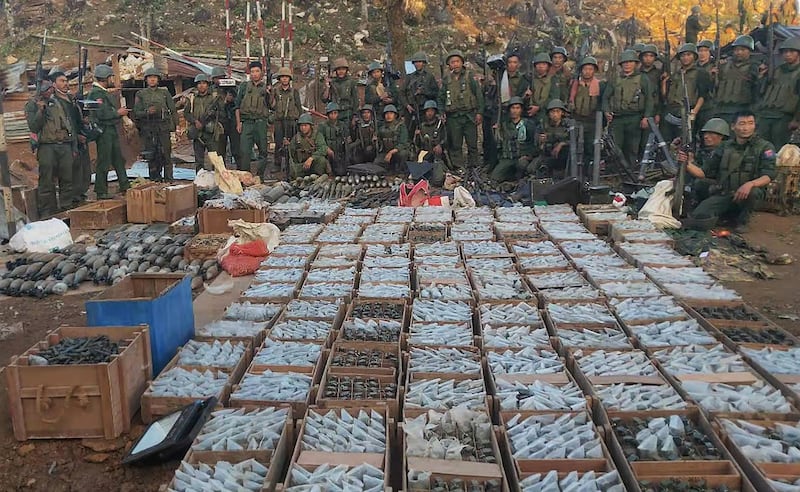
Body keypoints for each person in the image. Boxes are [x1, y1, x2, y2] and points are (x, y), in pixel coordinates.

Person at [687, 111, 775, 232]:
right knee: (699, 218)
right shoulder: (724, 146)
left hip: (748, 195)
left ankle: (743, 220)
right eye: (742, 124)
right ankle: (728, 215)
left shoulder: (765, 147)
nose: (746, 128)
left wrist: (750, 184)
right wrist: (685, 163)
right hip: (725, 193)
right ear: (733, 127)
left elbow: (768, 175)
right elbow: (703, 172)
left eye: (750, 123)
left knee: (753, 193)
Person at [24, 79, 75, 216]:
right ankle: (47, 211)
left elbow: (69, 124)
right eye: (46, 90)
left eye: (50, 89)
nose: (50, 92)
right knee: (46, 180)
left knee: (67, 178)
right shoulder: (32, 105)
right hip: (47, 146)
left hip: (64, 144)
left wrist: (73, 146)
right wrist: (40, 110)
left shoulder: (57, 103)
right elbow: (34, 127)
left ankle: (66, 207)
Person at [602, 50, 655, 167]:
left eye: (630, 62)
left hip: (635, 118)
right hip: (618, 118)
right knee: (615, 147)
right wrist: (606, 111)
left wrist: (646, 117)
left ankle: (630, 172)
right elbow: (605, 97)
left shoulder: (643, 79)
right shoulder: (615, 79)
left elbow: (649, 100)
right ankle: (616, 172)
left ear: (635, 64)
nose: (627, 64)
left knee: (632, 147)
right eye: (624, 62)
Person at [86, 64, 130, 200]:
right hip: (104, 130)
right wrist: (118, 113)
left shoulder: (102, 92)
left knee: (118, 159)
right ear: (105, 78)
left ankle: (125, 185)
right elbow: (102, 113)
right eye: (111, 77)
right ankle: (101, 191)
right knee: (104, 161)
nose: (112, 79)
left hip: (110, 129)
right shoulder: (96, 93)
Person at [439, 50, 484, 171]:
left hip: (469, 114)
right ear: (449, 65)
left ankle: (474, 165)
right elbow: (441, 97)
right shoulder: (446, 79)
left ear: (462, 62)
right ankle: (458, 166)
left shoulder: (470, 76)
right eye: (452, 62)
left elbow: (478, 95)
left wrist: (480, 112)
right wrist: (441, 111)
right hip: (453, 117)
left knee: (472, 142)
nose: (455, 64)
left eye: (457, 61)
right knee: (455, 143)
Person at [133, 67, 178, 181]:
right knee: (152, 156)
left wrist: (174, 127)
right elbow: (136, 113)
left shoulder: (164, 92)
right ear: (146, 80)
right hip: (148, 129)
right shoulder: (141, 94)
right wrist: (147, 112)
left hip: (163, 127)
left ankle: (168, 180)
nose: (152, 80)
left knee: (166, 155)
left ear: (158, 80)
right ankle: (154, 180)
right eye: (150, 78)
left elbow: (173, 110)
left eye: (154, 78)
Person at [661, 43, 712, 143]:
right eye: (683, 55)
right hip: (672, 110)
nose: (685, 58)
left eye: (689, 55)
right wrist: (664, 83)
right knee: (668, 141)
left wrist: (694, 112)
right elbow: (665, 95)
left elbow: (703, 94)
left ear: (694, 56)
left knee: (685, 141)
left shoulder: (700, 73)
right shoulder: (676, 74)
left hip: (688, 111)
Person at [755, 37, 800, 150]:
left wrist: (796, 119)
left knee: (780, 148)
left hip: (784, 117)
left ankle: (777, 167)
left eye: (791, 51)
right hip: (766, 114)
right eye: (785, 52)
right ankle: (766, 166)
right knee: (763, 148)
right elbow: (761, 92)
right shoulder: (777, 70)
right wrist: (761, 77)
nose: (788, 54)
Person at [50, 67, 85, 207]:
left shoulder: (71, 99)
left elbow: (76, 119)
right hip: (65, 140)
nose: (66, 83)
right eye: (62, 81)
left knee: (79, 170)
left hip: (77, 139)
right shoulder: (55, 102)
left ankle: (78, 196)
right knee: (66, 174)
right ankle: (67, 202)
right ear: (54, 84)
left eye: (66, 81)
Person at [678, 117, 730, 208]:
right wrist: (690, 160)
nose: (706, 136)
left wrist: (688, 163)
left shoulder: (726, 153)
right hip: (707, 183)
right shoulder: (704, 151)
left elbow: (704, 174)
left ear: (721, 136)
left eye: (710, 133)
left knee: (699, 183)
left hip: (721, 187)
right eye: (705, 133)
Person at [235, 61, 271, 176]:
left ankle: (260, 176)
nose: (255, 74)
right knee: (244, 151)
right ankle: (246, 176)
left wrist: (269, 94)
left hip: (261, 123)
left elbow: (272, 106)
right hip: (247, 123)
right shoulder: (244, 86)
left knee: (263, 151)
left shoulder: (266, 88)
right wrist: (238, 123)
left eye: (257, 71)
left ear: (262, 72)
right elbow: (237, 106)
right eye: (252, 72)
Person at [712, 35, 759, 124]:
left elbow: (757, 90)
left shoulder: (754, 67)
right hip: (720, 108)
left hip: (741, 109)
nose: (739, 52)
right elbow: (715, 87)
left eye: (743, 50)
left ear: (749, 51)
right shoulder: (724, 66)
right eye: (736, 50)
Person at [491, 96, 538, 183]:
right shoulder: (504, 125)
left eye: (517, 108)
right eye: (513, 108)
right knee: (495, 177)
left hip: (522, 158)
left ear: (521, 110)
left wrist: (529, 156)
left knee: (522, 167)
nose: (515, 111)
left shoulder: (528, 124)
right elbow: (499, 143)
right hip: (508, 158)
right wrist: (496, 132)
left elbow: (534, 143)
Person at [569, 57, 606, 165]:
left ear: (594, 70)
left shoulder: (600, 85)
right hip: (577, 119)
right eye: (585, 69)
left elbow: (603, 103)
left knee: (591, 147)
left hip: (592, 121)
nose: (587, 71)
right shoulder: (575, 84)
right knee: (576, 147)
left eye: (590, 69)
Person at [185, 73, 224, 171]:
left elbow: (222, 111)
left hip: (211, 132)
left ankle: (217, 180)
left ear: (207, 84)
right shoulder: (192, 98)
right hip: (198, 133)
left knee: (215, 159)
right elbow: (186, 114)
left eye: (204, 83)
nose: (201, 85)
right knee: (199, 160)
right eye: (199, 83)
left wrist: (214, 113)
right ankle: (200, 179)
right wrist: (195, 121)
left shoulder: (214, 97)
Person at [271, 66, 302, 175]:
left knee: (292, 143)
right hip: (279, 121)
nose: (284, 79)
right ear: (279, 79)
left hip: (291, 121)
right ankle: (277, 164)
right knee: (279, 143)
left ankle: (292, 164)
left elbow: (299, 106)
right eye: (282, 77)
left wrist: (301, 121)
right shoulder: (275, 91)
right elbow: (271, 105)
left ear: (290, 78)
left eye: (286, 77)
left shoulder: (294, 92)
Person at [403, 52, 439, 135]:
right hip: (411, 109)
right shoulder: (409, 77)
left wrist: (424, 92)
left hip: (425, 109)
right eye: (415, 62)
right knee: (409, 133)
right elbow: (402, 93)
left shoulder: (429, 77)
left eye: (420, 62)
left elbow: (436, 93)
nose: (417, 64)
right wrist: (407, 105)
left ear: (424, 63)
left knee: (426, 132)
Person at [210, 67, 240, 168]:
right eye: (217, 78)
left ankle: (240, 172)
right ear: (213, 79)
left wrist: (232, 97)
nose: (220, 80)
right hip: (219, 122)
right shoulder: (212, 91)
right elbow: (211, 106)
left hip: (232, 121)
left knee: (236, 149)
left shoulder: (232, 87)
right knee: (219, 150)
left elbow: (239, 103)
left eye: (221, 77)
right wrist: (225, 101)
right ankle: (219, 172)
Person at [535, 99, 572, 177]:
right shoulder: (543, 125)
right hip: (547, 154)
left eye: (557, 111)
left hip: (564, 156)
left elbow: (575, 140)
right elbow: (537, 145)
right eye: (552, 112)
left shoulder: (568, 124)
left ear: (562, 112)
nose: (555, 114)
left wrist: (561, 144)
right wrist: (541, 142)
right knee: (532, 168)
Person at [414, 100, 447, 186]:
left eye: (431, 111)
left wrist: (440, 145)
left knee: (437, 181)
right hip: (425, 154)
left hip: (437, 155)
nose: (429, 113)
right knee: (417, 178)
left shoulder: (440, 125)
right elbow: (418, 144)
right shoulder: (422, 126)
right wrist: (417, 135)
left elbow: (446, 139)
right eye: (427, 111)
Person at [288, 113, 329, 178]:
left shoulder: (317, 135)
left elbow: (323, 149)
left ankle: (317, 177)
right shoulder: (296, 138)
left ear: (310, 125)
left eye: (305, 125)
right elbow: (291, 154)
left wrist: (311, 158)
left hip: (314, 164)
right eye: (301, 125)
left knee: (322, 160)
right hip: (302, 165)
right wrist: (287, 146)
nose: (303, 128)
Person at [322, 57, 360, 125]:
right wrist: (327, 87)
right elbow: (324, 99)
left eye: (343, 69)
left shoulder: (351, 82)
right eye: (339, 69)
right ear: (336, 71)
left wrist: (355, 115)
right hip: (334, 114)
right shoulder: (332, 82)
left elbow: (355, 100)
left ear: (346, 70)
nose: (341, 71)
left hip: (347, 113)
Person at [374, 105, 409, 172]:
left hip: (397, 152)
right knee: (377, 163)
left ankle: (401, 172)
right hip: (386, 152)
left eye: (391, 113)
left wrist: (391, 152)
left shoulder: (401, 126)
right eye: (387, 113)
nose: (388, 115)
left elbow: (403, 143)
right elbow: (379, 144)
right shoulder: (381, 128)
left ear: (395, 115)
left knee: (402, 154)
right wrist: (375, 140)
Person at [527, 53, 559, 122]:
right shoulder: (529, 79)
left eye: (544, 64)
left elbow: (554, 98)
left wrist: (539, 107)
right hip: (530, 112)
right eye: (538, 64)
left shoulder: (553, 79)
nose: (541, 66)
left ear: (548, 66)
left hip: (546, 113)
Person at [319, 102, 349, 175]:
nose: (333, 115)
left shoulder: (342, 125)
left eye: (335, 113)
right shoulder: (322, 126)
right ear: (328, 114)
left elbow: (347, 139)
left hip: (339, 154)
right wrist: (327, 149)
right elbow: (319, 142)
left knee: (341, 172)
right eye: (331, 113)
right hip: (327, 155)